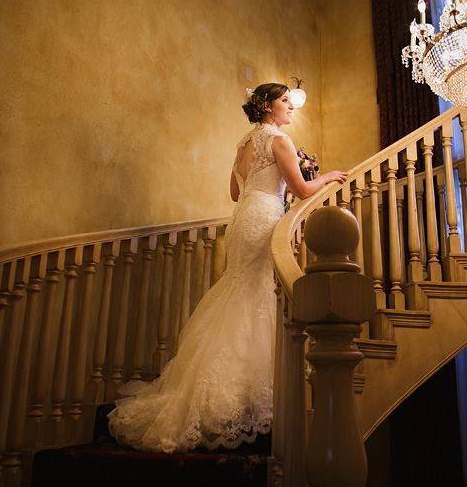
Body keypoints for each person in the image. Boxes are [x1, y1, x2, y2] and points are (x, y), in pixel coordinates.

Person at [107, 82, 348, 453]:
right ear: (267, 106)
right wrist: (328, 176)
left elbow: (235, 194)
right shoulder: (280, 141)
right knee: (258, 291)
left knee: (240, 288)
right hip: (265, 215)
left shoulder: (243, 145)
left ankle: (224, 390)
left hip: (243, 220)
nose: (290, 108)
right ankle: (253, 393)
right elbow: (300, 190)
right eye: (285, 101)